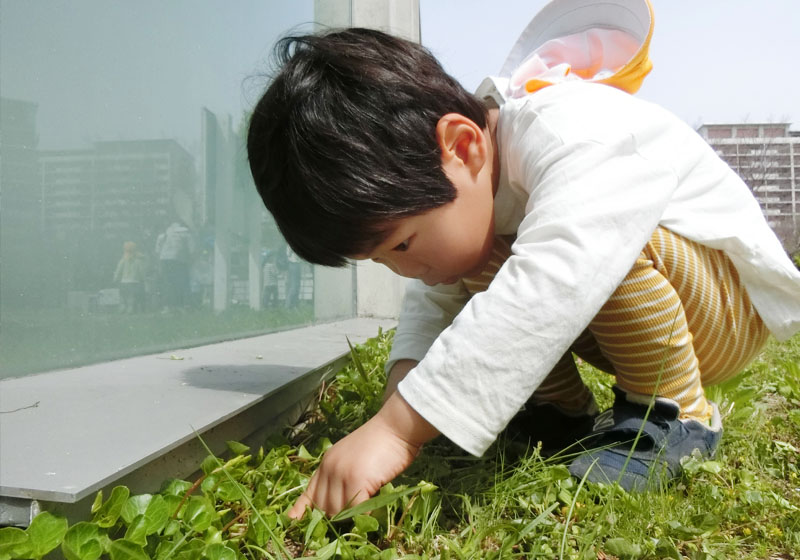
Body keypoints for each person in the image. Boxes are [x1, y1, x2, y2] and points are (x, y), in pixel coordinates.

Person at [246, 0, 800, 517]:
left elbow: (560, 277)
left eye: (402, 245)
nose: (405, 270)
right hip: (639, 311)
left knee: (576, 246)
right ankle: (559, 414)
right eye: (382, 260)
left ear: (462, 147)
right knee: (479, 260)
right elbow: (429, 306)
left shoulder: (571, 128)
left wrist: (399, 429)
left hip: (725, 314)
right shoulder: (470, 197)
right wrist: (396, 397)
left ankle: (676, 414)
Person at [155, 221, 193, 313]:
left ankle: (167, 306)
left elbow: (157, 250)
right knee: (181, 283)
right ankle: (181, 305)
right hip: (180, 260)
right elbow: (192, 249)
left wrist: (158, 264)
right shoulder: (186, 234)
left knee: (167, 283)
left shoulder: (163, 235)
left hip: (165, 259)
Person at [113, 241, 146, 313]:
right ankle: (130, 308)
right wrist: (144, 279)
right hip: (134, 282)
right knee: (131, 297)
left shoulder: (123, 260)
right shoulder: (138, 261)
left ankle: (123, 307)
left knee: (123, 296)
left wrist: (115, 278)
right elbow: (141, 271)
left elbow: (118, 270)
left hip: (124, 282)